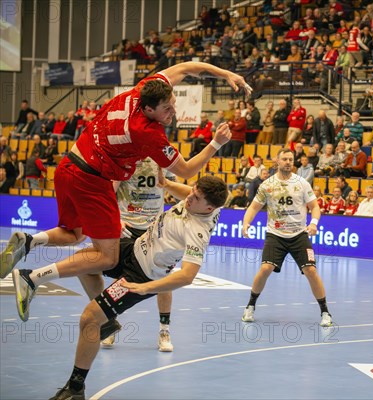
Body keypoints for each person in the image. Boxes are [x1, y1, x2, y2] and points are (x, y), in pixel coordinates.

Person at [1, 61, 249, 323]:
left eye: (173, 104)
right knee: (108, 257)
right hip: (92, 179)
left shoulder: (145, 89)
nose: (173, 111)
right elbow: (186, 171)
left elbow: (186, 67)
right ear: (148, 108)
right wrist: (215, 143)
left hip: (69, 165)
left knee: (76, 235)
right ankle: (32, 278)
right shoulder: (147, 133)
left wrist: (225, 73)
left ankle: (29, 241)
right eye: (167, 109)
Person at [46, 175, 228, 400]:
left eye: (196, 196)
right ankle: (109, 323)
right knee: (83, 262)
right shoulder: (205, 204)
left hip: (141, 275)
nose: (189, 196)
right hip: (133, 248)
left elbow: (188, 275)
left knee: (89, 318)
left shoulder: (197, 232)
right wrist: (169, 185)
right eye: (192, 191)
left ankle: (75, 388)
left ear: (208, 207)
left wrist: (147, 288)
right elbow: (189, 193)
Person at [241, 148, 332, 327]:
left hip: (299, 234)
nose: (288, 162)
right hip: (275, 234)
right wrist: (245, 223)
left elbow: (314, 206)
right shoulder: (267, 184)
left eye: (291, 159)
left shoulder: (302, 183)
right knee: (265, 268)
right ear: (277, 161)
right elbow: (253, 207)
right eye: (285, 159)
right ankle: (250, 306)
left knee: (311, 271)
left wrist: (313, 223)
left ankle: (325, 312)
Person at [102, 157, 176, 351]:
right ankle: (110, 323)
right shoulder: (124, 157)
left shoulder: (162, 158)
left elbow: (171, 187)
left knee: (165, 280)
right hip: (127, 226)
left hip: (154, 229)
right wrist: (114, 219)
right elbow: (109, 191)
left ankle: (164, 331)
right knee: (120, 278)